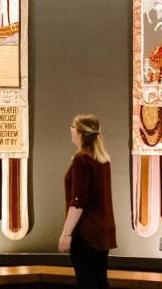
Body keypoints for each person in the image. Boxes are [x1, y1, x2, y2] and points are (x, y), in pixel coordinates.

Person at [58, 114, 116, 289]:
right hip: (102, 231)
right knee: (99, 281)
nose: (71, 130)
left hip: (86, 233)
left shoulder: (82, 158)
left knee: (87, 282)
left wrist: (66, 233)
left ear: (81, 134)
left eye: (73, 127)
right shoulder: (101, 158)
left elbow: (78, 201)